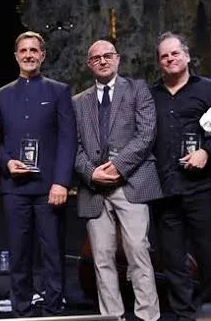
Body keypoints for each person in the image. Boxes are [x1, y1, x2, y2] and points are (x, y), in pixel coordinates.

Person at [73, 39, 162, 321]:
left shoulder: (137, 90)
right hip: (94, 189)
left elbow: (146, 134)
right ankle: (112, 317)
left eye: (107, 55)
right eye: (96, 58)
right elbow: (73, 146)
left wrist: (117, 167)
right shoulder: (78, 102)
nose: (102, 60)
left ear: (118, 58)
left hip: (130, 183)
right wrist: (91, 173)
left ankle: (148, 316)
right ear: (89, 64)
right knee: (101, 258)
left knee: (138, 253)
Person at [0, 31, 77, 317]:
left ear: (43, 55)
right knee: (19, 253)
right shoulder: (0, 96)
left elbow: (68, 139)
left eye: (34, 50)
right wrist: (7, 163)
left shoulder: (59, 91)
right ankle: (22, 310)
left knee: (52, 253)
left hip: (49, 188)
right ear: (16, 56)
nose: (28, 55)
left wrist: (61, 182)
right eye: (23, 50)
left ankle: (53, 310)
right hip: (14, 188)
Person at [150, 32, 211, 321]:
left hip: (202, 188)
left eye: (175, 53)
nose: (170, 59)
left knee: (210, 261)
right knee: (173, 263)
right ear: (159, 62)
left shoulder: (208, 88)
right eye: (164, 55)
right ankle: (184, 316)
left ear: (186, 56)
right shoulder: (150, 95)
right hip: (165, 191)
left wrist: (207, 152)